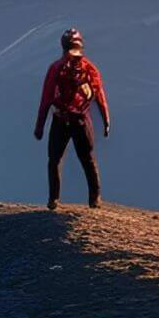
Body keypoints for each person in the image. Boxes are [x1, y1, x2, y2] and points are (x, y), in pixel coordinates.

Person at [33, 27, 110, 209]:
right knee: (71, 159)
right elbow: (99, 96)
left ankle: (86, 199)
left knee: (68, 159)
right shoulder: (74, 69)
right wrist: (106, 120)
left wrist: (40, 125)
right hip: (72, 119)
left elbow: (47, 97)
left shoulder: (66, 68)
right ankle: (68, 199)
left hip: (71, 119)